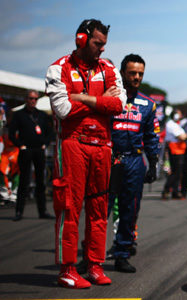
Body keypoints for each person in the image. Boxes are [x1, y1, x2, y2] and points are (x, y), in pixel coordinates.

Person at [46, 18, 126, 288]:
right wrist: (102, 100)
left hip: (103, 146)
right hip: (72, 144)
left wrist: (84, 98)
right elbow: (63, 109)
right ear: (81, 39)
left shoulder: (109, 68)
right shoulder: (59, 69)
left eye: (104, 45)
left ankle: (94, 265)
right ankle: (67, 269)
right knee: (69, 207)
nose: (102, 49)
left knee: (99, 209)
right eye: (97, 43)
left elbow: (119, 105)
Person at [107, 54, 161, 273]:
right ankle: (91, 258)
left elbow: (151, 136)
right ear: (122, 73)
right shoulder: (109, 98)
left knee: (130, 210)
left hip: (135, 160)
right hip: (110, 158)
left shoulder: (148, 104)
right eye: (132, 73)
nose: (137, 77)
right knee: (100, 209)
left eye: (140, 73)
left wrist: (154, 163)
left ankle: (122, 254)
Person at [8, 90, 54, 221]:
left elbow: (50, 132)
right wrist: (20, 146)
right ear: (26, 99)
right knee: (24, 181)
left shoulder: (42, 115)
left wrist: (45, 143)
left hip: (39, 150)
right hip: (25, 151)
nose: (33, 101)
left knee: (41, 182)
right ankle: (19, 211)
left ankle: (43, 211)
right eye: (30, 98)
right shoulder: (19, 115)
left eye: (35, 98)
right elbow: (11, 134)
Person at [162, 108, 187, 200]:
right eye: (179, 114)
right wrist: (185, 135)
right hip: (175, 149)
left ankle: (175, 192)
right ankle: (166, 190)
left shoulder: (176, 124)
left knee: (178, 172)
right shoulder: (171, 124)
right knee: (175, 172)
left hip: (179, 149)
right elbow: (182, 136)